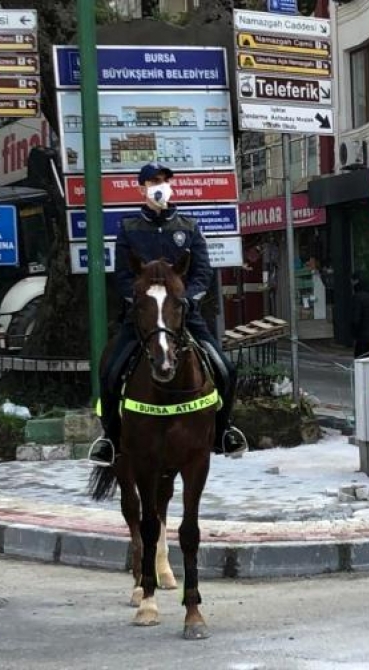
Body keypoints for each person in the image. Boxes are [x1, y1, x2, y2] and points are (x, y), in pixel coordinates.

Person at [88, 162, 248, 466]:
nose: (158, 185)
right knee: (109, 371)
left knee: (226, 369)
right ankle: (109, 438)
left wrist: (185, 300)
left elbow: (202, 271)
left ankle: (224, 431)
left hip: (183, 314)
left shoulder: (188, 226)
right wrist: (141, 301)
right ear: (141, 188)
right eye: (151, 181)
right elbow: (122, 275)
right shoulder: (129, 227)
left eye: (162, 180)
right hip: (142, 317)